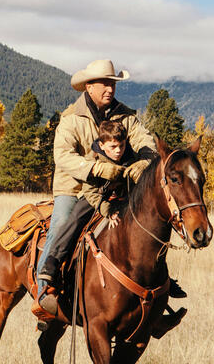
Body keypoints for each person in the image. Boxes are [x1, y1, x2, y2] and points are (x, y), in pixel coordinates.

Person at [32, 60, 185, 320]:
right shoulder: (72, 118)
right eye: (104, 83)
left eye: (113, 83)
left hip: (120, 186)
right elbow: (63, 156)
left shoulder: (125, 116)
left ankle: (159, 289)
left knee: (148, 224)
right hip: (77, 187)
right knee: (63, 223)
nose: (110, 88)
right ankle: (46, 285)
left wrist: (143, 164)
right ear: (89, 86)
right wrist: (95, 169)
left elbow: (145, 142)